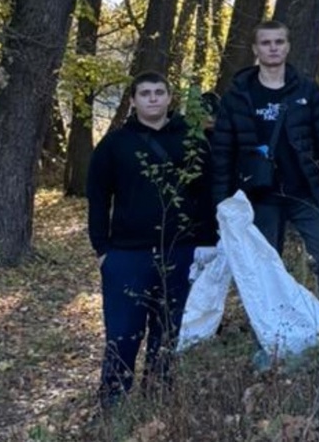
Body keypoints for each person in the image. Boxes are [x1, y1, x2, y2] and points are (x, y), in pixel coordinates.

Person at [87, 71, 216, 408]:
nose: (153, 98)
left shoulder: (193, 141)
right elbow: (98, 197)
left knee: (169, 331)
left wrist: (207, 241)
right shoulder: (114, 144)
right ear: (133, 100)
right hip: (126, 254)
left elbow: (207, 194)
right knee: (122, 333)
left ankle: (158, 400)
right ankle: (113, 404)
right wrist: (102, 249)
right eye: (145, 93)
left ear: (170, 97)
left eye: (159, 92)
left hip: (181, 250)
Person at [211, 20, 319, 306]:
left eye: (278, 42)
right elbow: (222, 153)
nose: (272, 48)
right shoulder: (238, 96)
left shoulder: (307, 91)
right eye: (266, 43)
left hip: (304, 192)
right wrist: (222, 205)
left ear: (287, 47)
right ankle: (272, 327)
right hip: (259, 197)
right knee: (264, 267)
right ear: (255, 49)